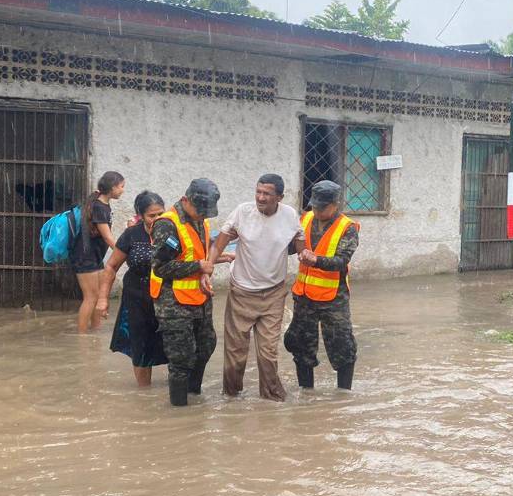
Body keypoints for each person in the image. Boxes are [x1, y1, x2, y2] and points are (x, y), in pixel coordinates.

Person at [208, 174, 305, 402]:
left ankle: (271, 399)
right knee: (235, 354)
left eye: (267, 194)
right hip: (242, 292)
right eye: (258, 192)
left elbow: (300, 242)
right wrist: (208, 267)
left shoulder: (289, 215)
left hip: (273, 293)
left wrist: (305, 253)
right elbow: (219, 242)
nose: (260, 198)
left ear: (279, 197)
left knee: (268, 353)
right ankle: (231, 399)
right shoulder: (243, 212)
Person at [283, 180, 359, 391]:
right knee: (301, 347)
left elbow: (342, 261)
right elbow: (290, 245)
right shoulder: (306, 218)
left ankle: (344, 394)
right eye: (314, 206)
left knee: (342, 347)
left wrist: (316, 260)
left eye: (322, 207)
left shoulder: (348, 228)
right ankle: (306, 394)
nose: (316, 211)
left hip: (333, 299)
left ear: (335, 204)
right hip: (304, 297)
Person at [150, 178, 220, 407]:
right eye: (200, 210)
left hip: (200, 299)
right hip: (174, 303)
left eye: (205, 212)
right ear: (184, 200)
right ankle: (179, 411)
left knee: (207, 345)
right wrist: (199, 267)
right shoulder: (167, 225)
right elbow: (160, 267)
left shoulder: (201, 222)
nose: (202, 215)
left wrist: (205, 272)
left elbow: (196, 253)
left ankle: (194, 398)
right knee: (181, 359)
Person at [98, 190, 169, 387]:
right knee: (141, 345)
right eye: (151, 215)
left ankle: (176, 391)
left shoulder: (174, 232)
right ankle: (144, 392)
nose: (156, 219)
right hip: (137, 299)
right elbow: (111, 267)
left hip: (168, 299)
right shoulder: (132, 235)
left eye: (160, 214)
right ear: (140, 216)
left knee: (174, 344)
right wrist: (103, 299)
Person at [72, 171, 125, 333]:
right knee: (91, 297)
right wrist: (125, 254)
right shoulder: (99, 207)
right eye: (121, 187)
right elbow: (108, 238)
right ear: (113, 187)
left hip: (94, 257)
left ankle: (94, 333)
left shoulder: (101, 203)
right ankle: (81, 338)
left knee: (97, 297)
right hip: (85, 257)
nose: (123, 190)